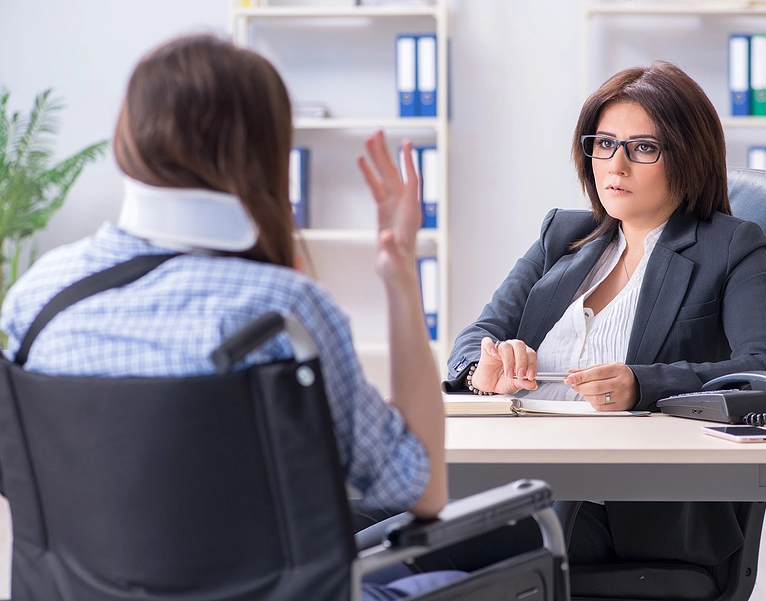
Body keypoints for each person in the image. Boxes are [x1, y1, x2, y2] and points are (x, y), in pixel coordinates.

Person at [0, 35, 463, 600]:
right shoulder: (283, 317)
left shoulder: (37, 302)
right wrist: (400, 278)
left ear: (128, 138)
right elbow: (423, 489)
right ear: (264, 154)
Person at [442, 61, 766, 568]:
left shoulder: (729, 246)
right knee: (344, 511)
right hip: (514, 475)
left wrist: (642, 385)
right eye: (605, 143)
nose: (616, 165)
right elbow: (478, 335)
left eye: (644, 148)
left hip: (619, 509)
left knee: (391, 549)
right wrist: (485, 368)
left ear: (688, 157)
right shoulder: (561, 237)